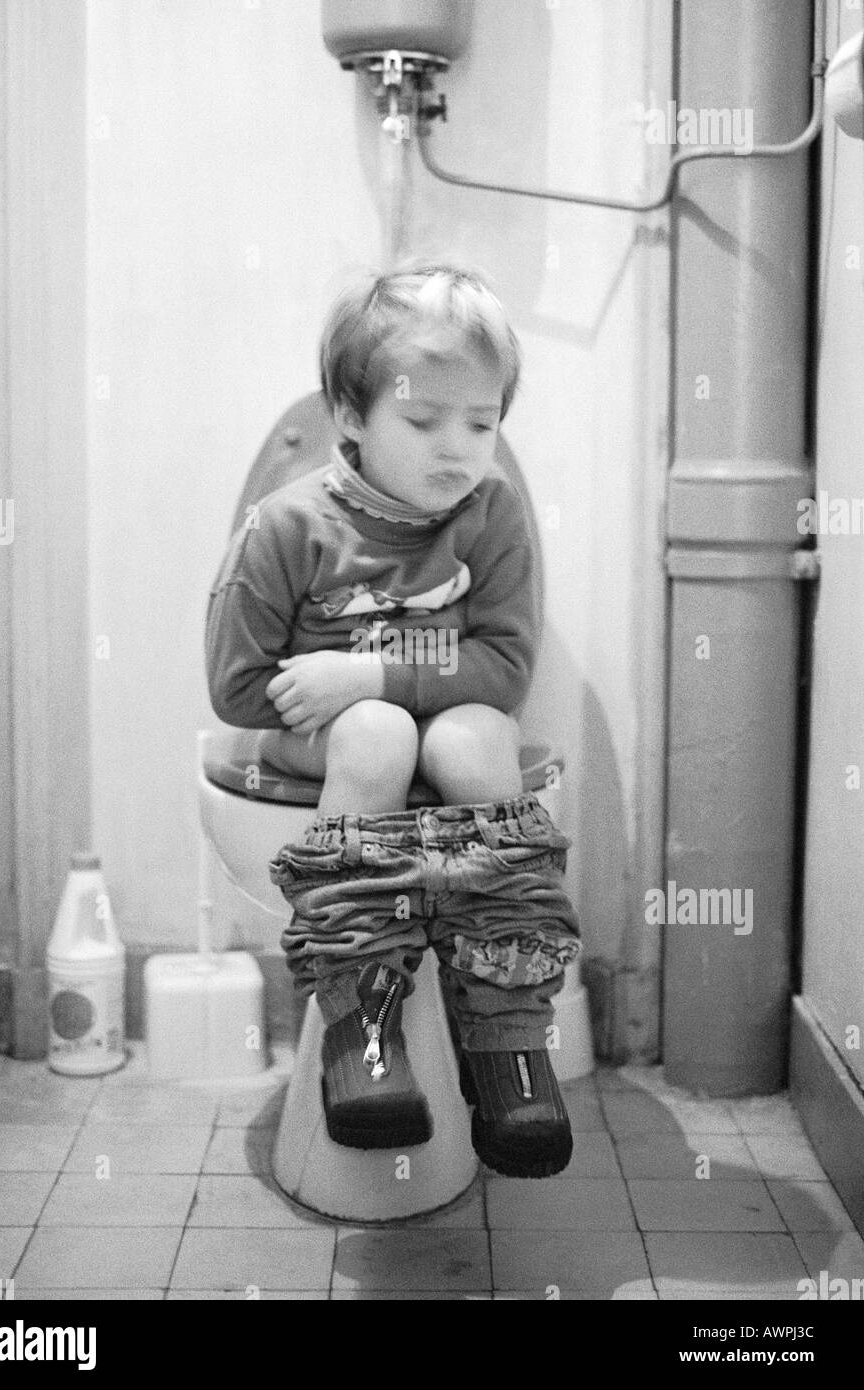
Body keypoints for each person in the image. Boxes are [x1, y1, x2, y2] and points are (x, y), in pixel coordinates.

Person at [205, 260, 581, 1177]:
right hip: (330, 743)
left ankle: (504, 1034)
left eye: (483, 423)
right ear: (348, 416)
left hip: (444, 730)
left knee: (476, 734)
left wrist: (369, 669)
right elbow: (237, 686)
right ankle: (361, 1025)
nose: (458, 448)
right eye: (422, 419)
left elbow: (505, 668)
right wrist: (344, 701)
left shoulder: (490, 516)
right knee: (377, 735)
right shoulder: (285, 525)